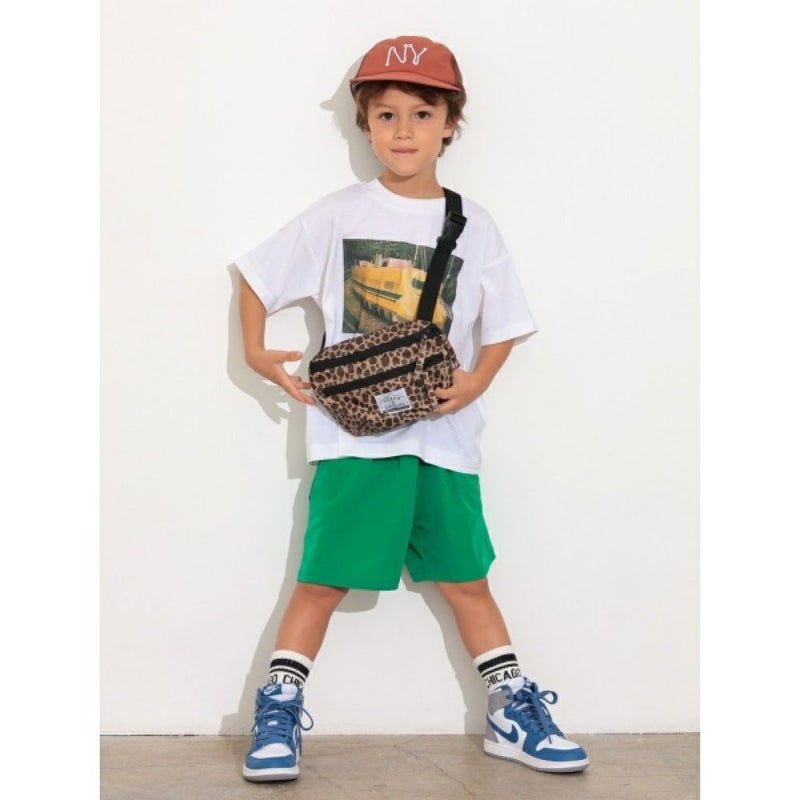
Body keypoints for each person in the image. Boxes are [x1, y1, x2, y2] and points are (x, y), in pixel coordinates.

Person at [235, 34, 589, 782]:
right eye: (386, 114)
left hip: (444, 437)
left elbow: (506, 321)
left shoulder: (474, 223)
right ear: (365, 124)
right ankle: (278, 710)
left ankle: (509, 710)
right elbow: (257, 275)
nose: (403, 131)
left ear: (449, 124)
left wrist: (479, 380)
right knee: (323, 579)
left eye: (422, 114)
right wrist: (257, 351)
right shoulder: (338, 214)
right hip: (353, 439)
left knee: (466, 579)